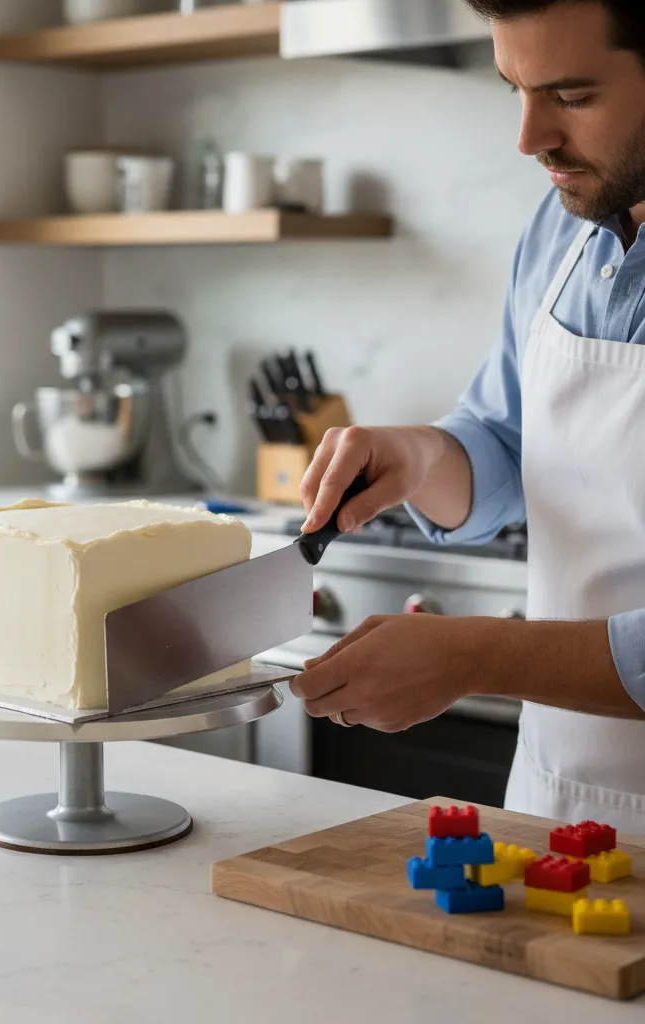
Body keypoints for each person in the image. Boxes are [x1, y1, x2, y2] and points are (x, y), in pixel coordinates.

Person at [292, 0, 645, 832]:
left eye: (572, 95)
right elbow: (509, 444)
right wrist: (420, 457)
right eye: (514, 89)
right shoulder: (561, 229)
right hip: (556, 808)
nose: (529, 138)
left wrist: (476, 654)